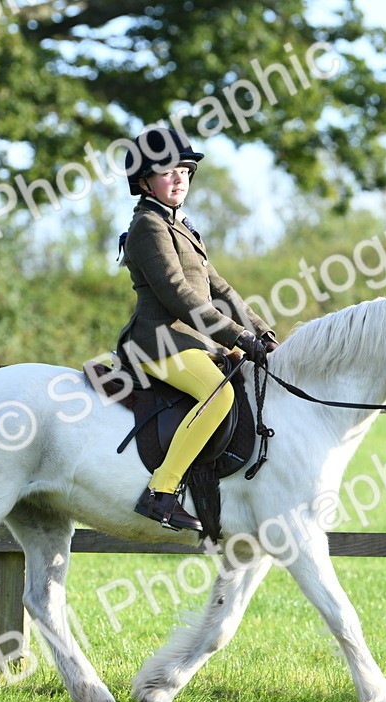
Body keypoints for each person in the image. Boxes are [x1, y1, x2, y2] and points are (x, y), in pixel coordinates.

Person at [117, 127, 278, 533]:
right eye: (167, 172)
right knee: (217, 393)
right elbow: (179, 296)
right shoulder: (148, 228)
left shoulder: (182, 226)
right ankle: (162, 492)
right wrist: (238, 338)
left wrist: (261, 331)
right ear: (144, 182)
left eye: (184, 171)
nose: (178, 179)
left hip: (192, 341)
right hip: (158, 342)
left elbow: (221, 289)